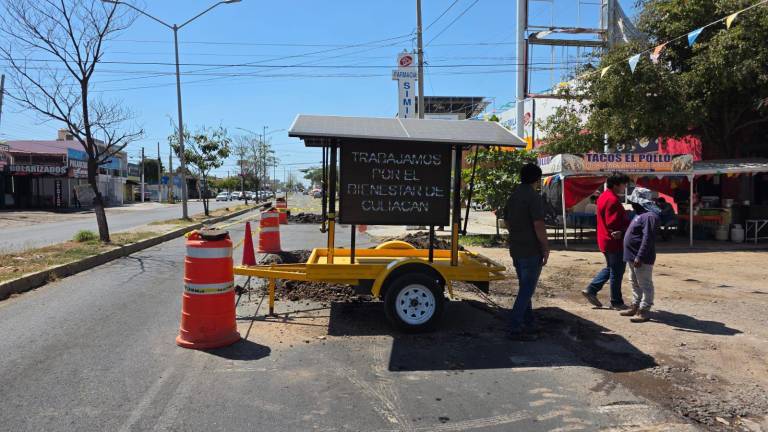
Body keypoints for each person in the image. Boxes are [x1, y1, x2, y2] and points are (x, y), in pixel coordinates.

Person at [503, 163, 550, 341]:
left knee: (525, 288)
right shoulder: (533, 197)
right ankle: (514, 326)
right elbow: (538, 224)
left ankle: (528, 321)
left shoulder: (514, 196)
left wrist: (517, 234)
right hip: (531, 250)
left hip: (516, 248)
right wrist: (545, 247)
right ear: (537, 179)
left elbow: (506, 221)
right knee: (526, 290)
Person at [582, 172, 630, 309]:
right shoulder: (612, 200)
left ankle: (591, 289)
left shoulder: (604, 196)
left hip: (605, 240)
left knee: (612, 268)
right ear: (616, 185)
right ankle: (616, 301)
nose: (625, 187)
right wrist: (624, 228)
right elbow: (613, 224)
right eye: (623, 184)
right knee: (617, 270)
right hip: (613, 241)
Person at [620, 187, 661, 322]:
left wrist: (640, 256)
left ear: (639, 202)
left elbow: (647, 238)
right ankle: (635, 305)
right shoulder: (640, 215)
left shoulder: (650, 216)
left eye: (633, 202)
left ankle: (644, 310)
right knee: (634, 282)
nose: (632, 205)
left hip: (641, 258)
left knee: (645, 283)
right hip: (632, 256)